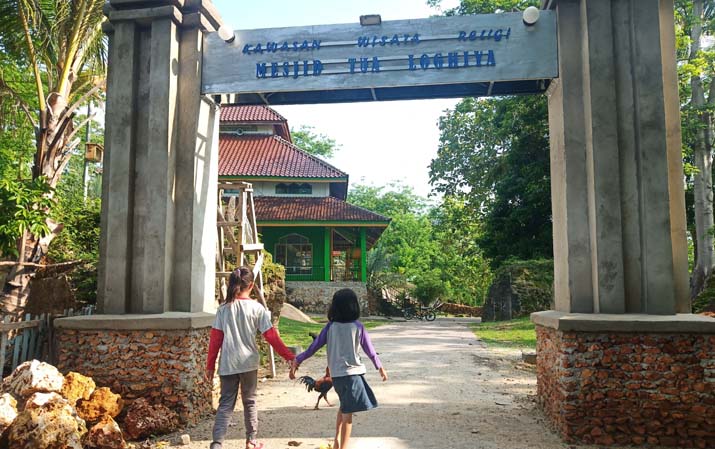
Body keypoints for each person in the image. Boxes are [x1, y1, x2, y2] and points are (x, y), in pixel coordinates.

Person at [207, 266, 296, 449]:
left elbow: (215, 341)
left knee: (225, 404)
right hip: (248, 364)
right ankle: (251, 441)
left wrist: (209, 366)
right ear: (252, 285)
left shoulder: (223, 310)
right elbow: (271, 336)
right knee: (250, 402)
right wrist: (288, 356)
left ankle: (217, 444)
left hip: (228, 364)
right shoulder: (257, 309)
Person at [290, 288, 388, 449]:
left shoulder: (330, 327)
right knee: (348, 415)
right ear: (354, 307)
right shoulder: (358, 327)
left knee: (343, 407)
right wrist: (380, 367)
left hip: (336, 376)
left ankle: (336, 441)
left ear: (334, 307)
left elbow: (313, 348)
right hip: (352, 375)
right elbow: (369, 350)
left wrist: (298, 360)